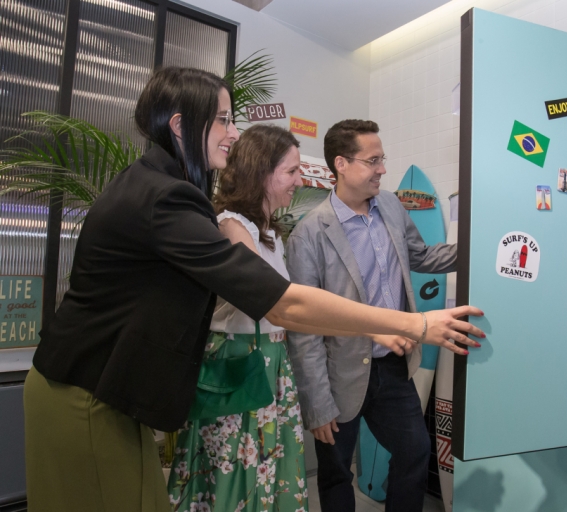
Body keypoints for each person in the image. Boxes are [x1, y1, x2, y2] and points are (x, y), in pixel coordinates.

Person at [23, 69, 483, 512]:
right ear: (181, 125)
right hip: (87, 391)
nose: (233, 132)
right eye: (223, 119)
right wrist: (415, 323)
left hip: (105, 391)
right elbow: (284, 305)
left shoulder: (163, 188)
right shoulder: (170, 198)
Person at [286, 119, 474, 512]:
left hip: (391, 365)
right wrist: (317, 403)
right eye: (373, 161)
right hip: (339, 372)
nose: (382, 169)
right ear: (341, 164)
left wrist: (476, 247)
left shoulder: (389, 205)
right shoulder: (310, 234)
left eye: (382, 159)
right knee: (336, 472)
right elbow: (303, 330)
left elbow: (422, 256)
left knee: (415, 450)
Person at [167, 124, 309, 511]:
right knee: (235, 471)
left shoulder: (270, 233)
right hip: (241, 361)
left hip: (271, 363)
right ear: (261, 172)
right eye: (291, 171)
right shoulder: (232, 225)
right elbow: (267, 300)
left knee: (269, 469)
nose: (299, 181)